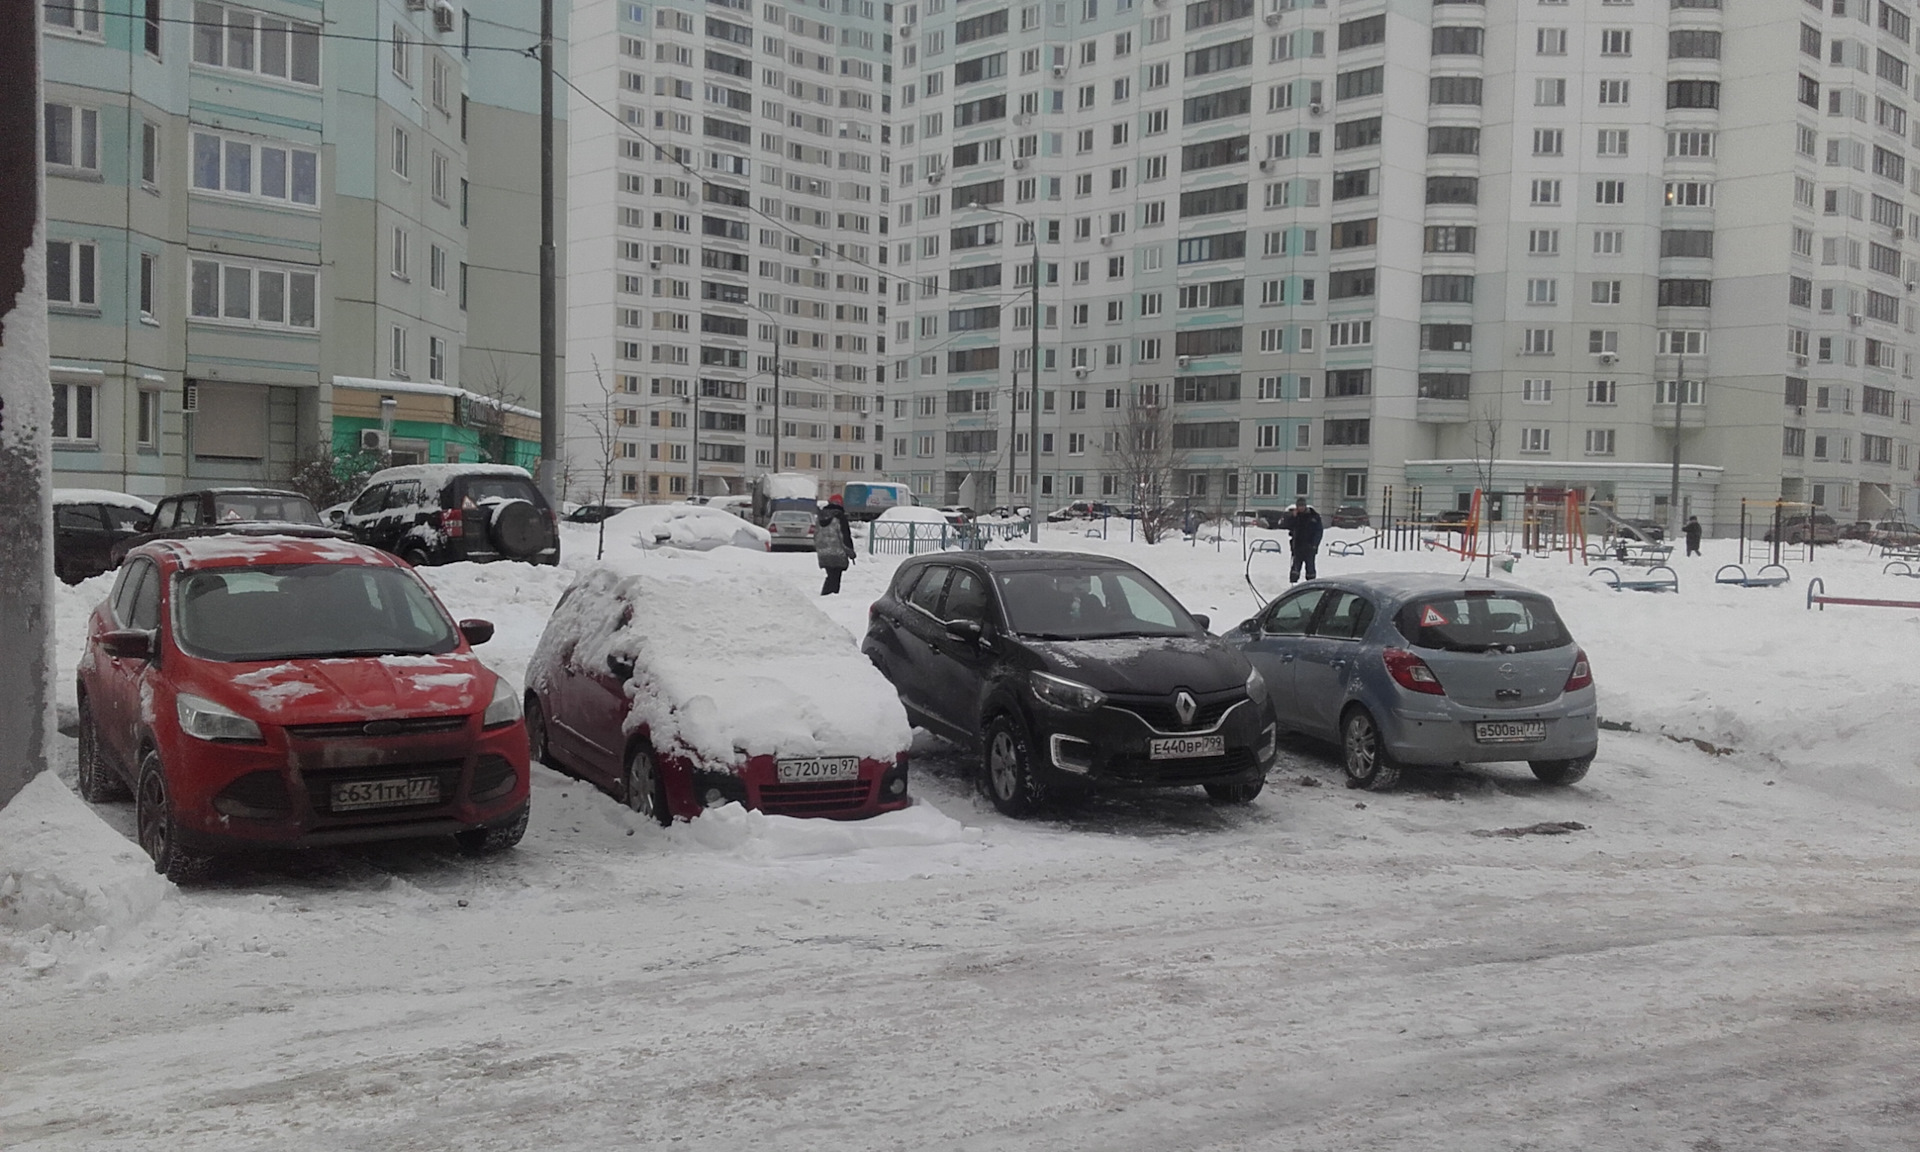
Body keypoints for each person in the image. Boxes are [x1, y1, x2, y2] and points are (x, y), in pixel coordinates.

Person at [1276, 496, 1324, 584]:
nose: (1301, 508)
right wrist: (1293, 517)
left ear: (1305, 506)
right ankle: (1293, 585)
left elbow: (1319, 532)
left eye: (1302, 506)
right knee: (1295, 568)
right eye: (1299, 506)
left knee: (1310, 568)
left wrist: (1315, 545)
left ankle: (1311, 585)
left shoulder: (1314, 516)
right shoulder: (1296, 516)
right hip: (1298, 546)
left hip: (1310, 547)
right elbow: (1285, 525)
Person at [815, 494, 855, 595]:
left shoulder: (820, 517)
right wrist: (850, 552)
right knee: (835, 576)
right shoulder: (840, 517)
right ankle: (829, 595)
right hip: (838, 553)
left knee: (830, 575)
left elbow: (815, 535)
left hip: (823, 552)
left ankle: (826, 594)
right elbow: (844, 536)